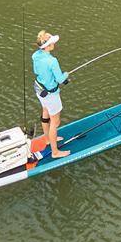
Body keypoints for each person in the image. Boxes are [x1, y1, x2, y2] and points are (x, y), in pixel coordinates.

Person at [31, 30, 71, 159]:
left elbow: (36, 71)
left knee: (45, 111)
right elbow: (60, 79)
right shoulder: (52, 61)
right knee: (55, 122)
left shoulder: (35, 56)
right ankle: (55, 152)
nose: (54, 43)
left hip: (39, 89)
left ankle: (48, 139)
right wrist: (65, 75)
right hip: (50, 94)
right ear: (48, 46)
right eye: (52, 42)